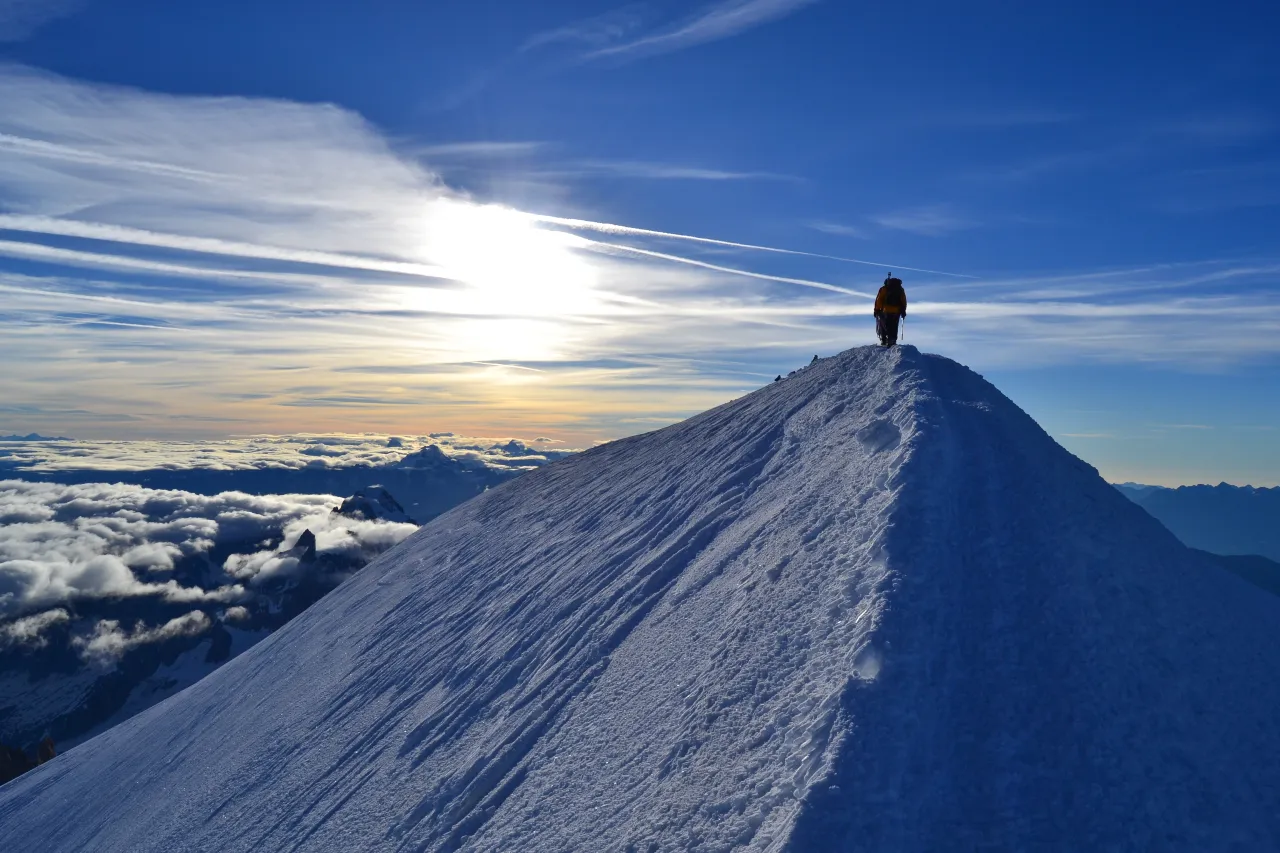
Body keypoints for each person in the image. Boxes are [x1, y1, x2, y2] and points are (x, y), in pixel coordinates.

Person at [874, 273, 907, 346]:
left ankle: (884, 340)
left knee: (884, 325)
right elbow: (903, 300)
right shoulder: (900, 289)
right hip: (897, 311)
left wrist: (876, 310)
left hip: (885, 310)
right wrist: (903, 310)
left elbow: (879, 299)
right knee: (894, 325)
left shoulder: (884, 289)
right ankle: (892, 340)